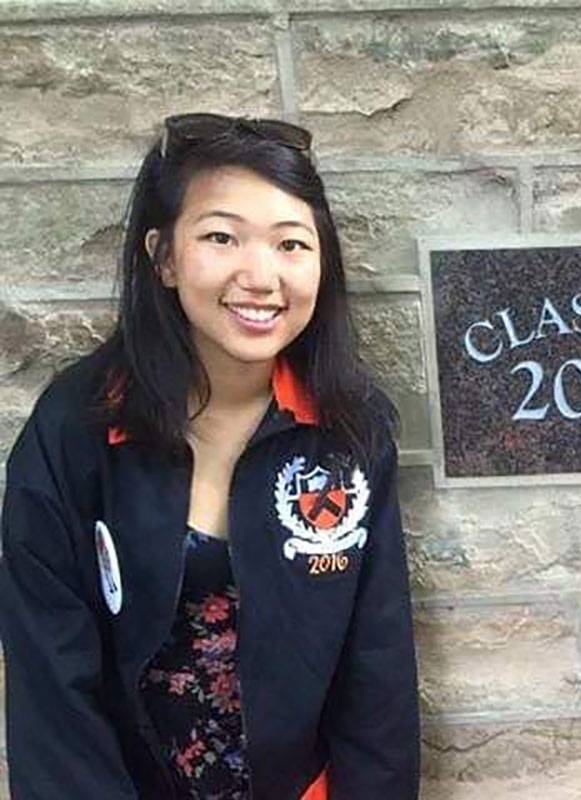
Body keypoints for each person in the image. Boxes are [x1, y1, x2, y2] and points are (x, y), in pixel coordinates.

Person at [0, 114, 420, 799]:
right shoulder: (74, 428)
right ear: (164, 256)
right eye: (221, 237)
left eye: (291, 244)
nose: (261, 276)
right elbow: (50, 681)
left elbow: (377, 674)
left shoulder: (348, 428)